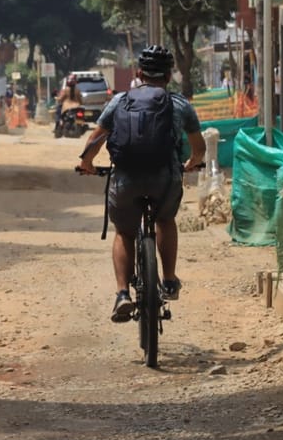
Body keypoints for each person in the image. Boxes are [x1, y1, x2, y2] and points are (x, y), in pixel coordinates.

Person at [78, 45, 206, 323]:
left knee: (124, 232)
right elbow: (199, 147)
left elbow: (95, 141)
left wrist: (86, 164)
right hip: (165, 179)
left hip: (126, 178)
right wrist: (193, 163)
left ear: (138, 73)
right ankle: (169, 280)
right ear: (169, 75)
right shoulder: (180, 104)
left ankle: (123, 294)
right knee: (165, 220)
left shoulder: (120, 101)